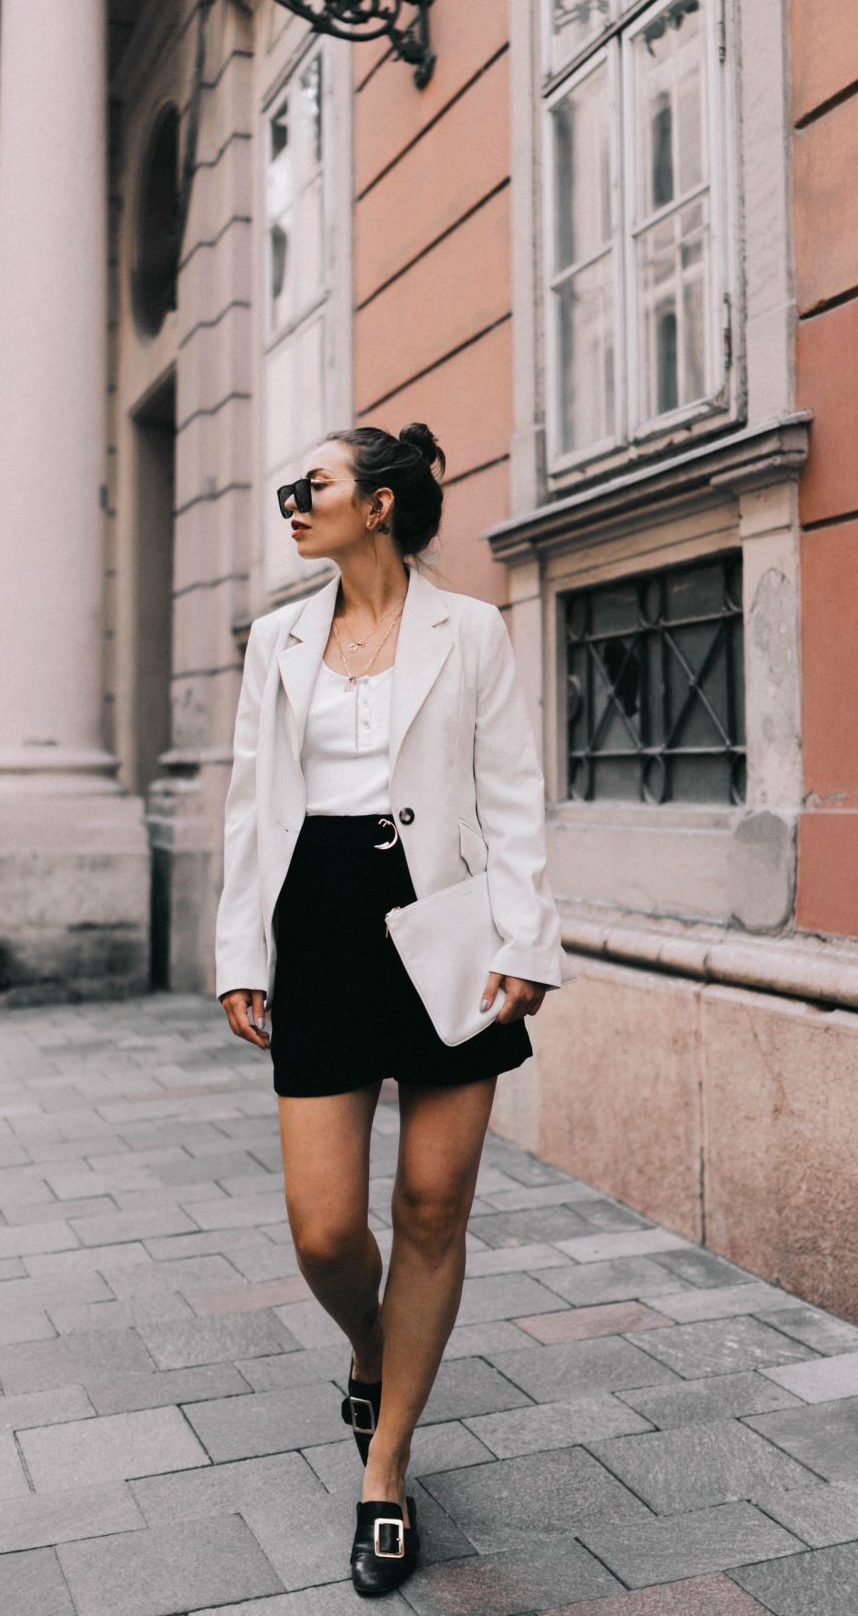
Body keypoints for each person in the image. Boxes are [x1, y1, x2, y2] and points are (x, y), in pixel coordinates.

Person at [215, 422, 572, 1596]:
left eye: (305, 486)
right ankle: (373, 1343)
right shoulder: (277, 638)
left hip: (446, 923)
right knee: (324, 1229)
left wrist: (526, 941)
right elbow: (249, 801)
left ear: (375, 504)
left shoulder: (469, 631)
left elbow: (510, 795)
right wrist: (238, 948)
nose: (288, 503)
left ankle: (387, 1460)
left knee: (431, 1204)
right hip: (316, 919)